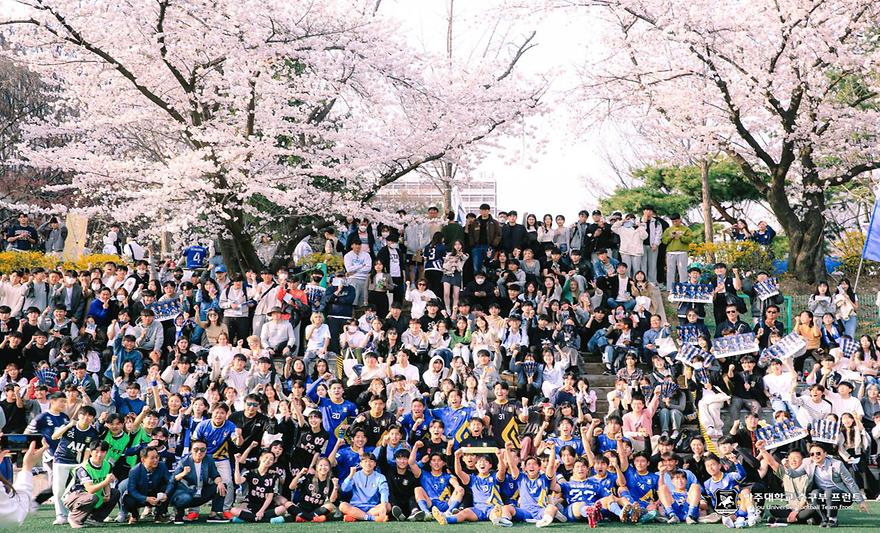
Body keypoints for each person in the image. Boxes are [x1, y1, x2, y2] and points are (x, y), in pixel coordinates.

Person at [782, 442, 868, 527]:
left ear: (825, 454)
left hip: (842, 495)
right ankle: (824, 520)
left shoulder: (837, 464)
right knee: (815, 493)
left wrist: (860, 501)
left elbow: (850, 483)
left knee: (829, 492)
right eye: (812, 454)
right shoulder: (807, 463)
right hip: (824, 494)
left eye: (818, 453)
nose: (815, 456)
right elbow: (794, 474)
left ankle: (832, 520)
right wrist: (786, 467)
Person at [63, 440, 120, 528]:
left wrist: (108, 494)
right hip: (73, 497)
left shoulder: (107, 465)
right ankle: (74, 518)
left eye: (103, 451)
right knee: (91, 497)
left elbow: (106, 482)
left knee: (115, 493)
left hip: (92, 496)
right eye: (96, 451)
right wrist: (106, 482)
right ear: (90, 452)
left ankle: (94, 519)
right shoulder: (83, 468)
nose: (99, 454)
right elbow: (90, 489)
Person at [168, 438, 227, 524]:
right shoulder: (184, 461)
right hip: (186, 493)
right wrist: (183, 473)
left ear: (206, 451)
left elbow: (215, 475)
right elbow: (173, 479)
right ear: (191, 450)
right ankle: (178, 514)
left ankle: (215, 514)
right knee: (185, 497)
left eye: (202, 450)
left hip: (201, 492)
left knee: (222, 486)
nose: (199, 452)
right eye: (196, 449)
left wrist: (220, 483)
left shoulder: (209, 460)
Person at [120, 446, 172, 524]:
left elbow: (170, 482)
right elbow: (132, 490)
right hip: (141, 496)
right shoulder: (134, 471)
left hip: (156, 495)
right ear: (143, 460)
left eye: (157, 457)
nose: (156, 460)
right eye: (152, 458)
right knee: (127, 499)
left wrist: (166, 494)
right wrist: (146, 498)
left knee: (170, 489)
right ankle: (134, 515)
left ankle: (160, 514)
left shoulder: (162, 466)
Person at [339, 452, 391, 522]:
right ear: (361, 464)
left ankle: (357, 517)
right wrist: (350, 475)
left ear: (375, 464)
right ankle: (373, 518)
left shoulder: (380, 476)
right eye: (365, 461)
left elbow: (384, 491)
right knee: (342, 505)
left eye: (371, 461)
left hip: (372, 508)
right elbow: (344, 489)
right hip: (356, 507)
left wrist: (383, 505)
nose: (368, 464)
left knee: (387, 506)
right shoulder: (355, 475)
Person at [661, 214, 691, 291]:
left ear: (680, 220)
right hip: (670, 252)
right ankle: (670, 288)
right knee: (670, 271)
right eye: (673, 221)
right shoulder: (668, 230)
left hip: (682, 252)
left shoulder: (686, 229)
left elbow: (689, 240)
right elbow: (664, 241)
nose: (674, 223)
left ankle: (683, 288)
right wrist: (670, 237)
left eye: (676, 221)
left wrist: (681, 236)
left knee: (683, 271)